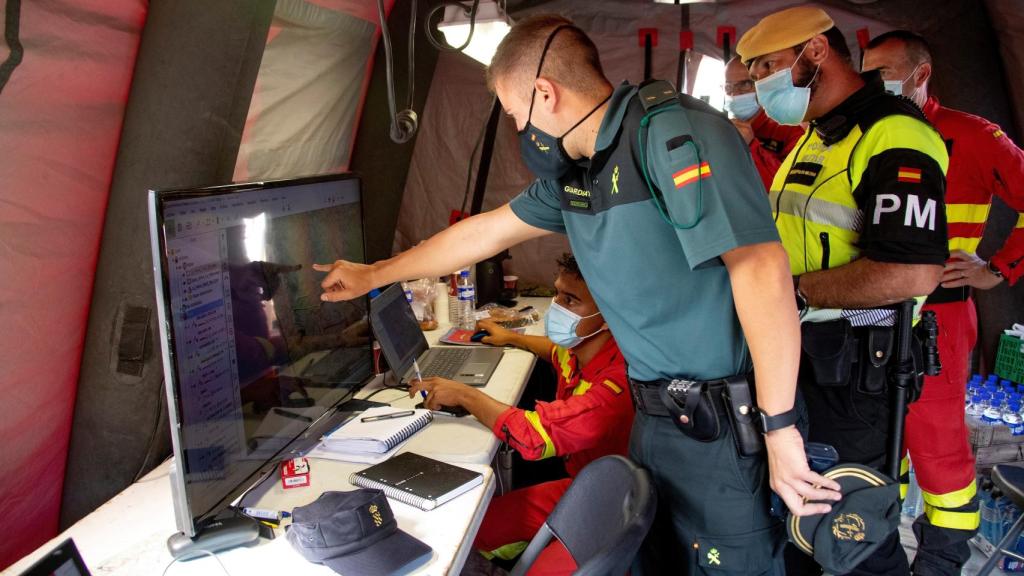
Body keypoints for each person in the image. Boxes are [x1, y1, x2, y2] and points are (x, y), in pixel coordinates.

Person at [317, 13, 841, 575]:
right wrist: (376, 273)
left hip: (724, 428)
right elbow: (485, 230)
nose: (519, 130)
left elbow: (761, 268)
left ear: (545, 94)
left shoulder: (671, 135)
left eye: (517, 115)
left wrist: (780, 428)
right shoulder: (581, 175)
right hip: (657, 421)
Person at [738, 7, 949, 575]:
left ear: (814, 52)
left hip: (856, 377)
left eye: (767, 66)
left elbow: (912, 272)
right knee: (801, 532)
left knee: (851, 537)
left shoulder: (894, 133)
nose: (760, 82)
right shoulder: (815, 135)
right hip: (799, 363)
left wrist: (794, 295)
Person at [863, 30, 1024, 576]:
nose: (873, 83)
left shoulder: (969, 134)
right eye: (866, 71)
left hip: (940, 316)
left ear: (920, 73)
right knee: (881, 435)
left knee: (935, 442)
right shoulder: (861, 133)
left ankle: (941, 560)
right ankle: (878, 545)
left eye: (883, 71)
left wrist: (998, 270)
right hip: (869, 313)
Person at [409, 253, 632, 572]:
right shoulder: (581, 350)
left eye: (570, 300)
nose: (556, 307)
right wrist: (513, 338)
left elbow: (535, 438)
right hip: (582, 482)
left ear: (610, 314)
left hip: (612, 501)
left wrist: (465, 395)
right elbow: (556, 352)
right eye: (557, 294)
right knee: (473, 531)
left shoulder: (617, 382)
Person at [723, 56, 805, 192]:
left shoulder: (790, 131)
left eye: (744, 84)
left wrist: (750, 146)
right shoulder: (719, 130)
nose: (734, 93)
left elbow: (787, 188)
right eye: (728, 86)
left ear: (762, 85)